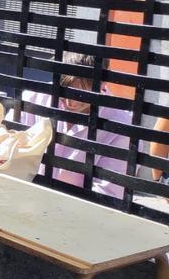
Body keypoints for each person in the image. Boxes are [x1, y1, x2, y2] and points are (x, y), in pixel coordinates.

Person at [14, 53, 168, 196]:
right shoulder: (34, 98)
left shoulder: (121, 127)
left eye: (80, 94)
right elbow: (5, 146)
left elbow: (108, 193)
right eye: (65, 92)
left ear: (102, 85)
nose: (70, 102)